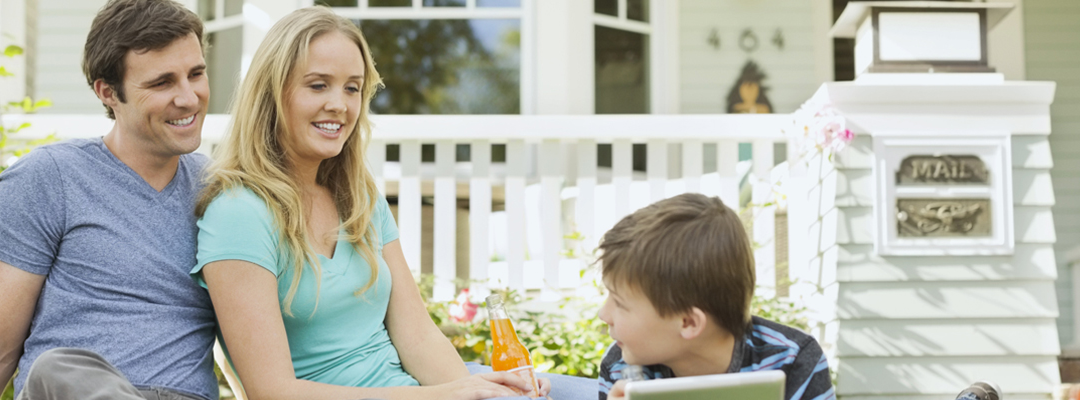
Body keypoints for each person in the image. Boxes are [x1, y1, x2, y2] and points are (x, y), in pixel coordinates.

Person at [191, 6, 595, 400]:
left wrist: (477, 392)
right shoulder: (239, 213)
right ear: (272, 94)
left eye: (352, 87)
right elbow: (272, 391)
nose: (340, 104)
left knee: (600, 393)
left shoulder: (358, 197)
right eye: (318, 85)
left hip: (412, 388)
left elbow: (417, 335)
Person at [0, 0, 217, 399]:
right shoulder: (48, 179)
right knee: (61, 367)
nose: (189, 98)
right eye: (162, 83)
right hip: (74, 391)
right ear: (108, 93)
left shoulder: (220, 192)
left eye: (196, 74)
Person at [595, 194, 834, 400]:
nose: (603, 314)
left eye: (619, 303)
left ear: (688, 322)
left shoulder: (793, 361)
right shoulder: (621, 366)